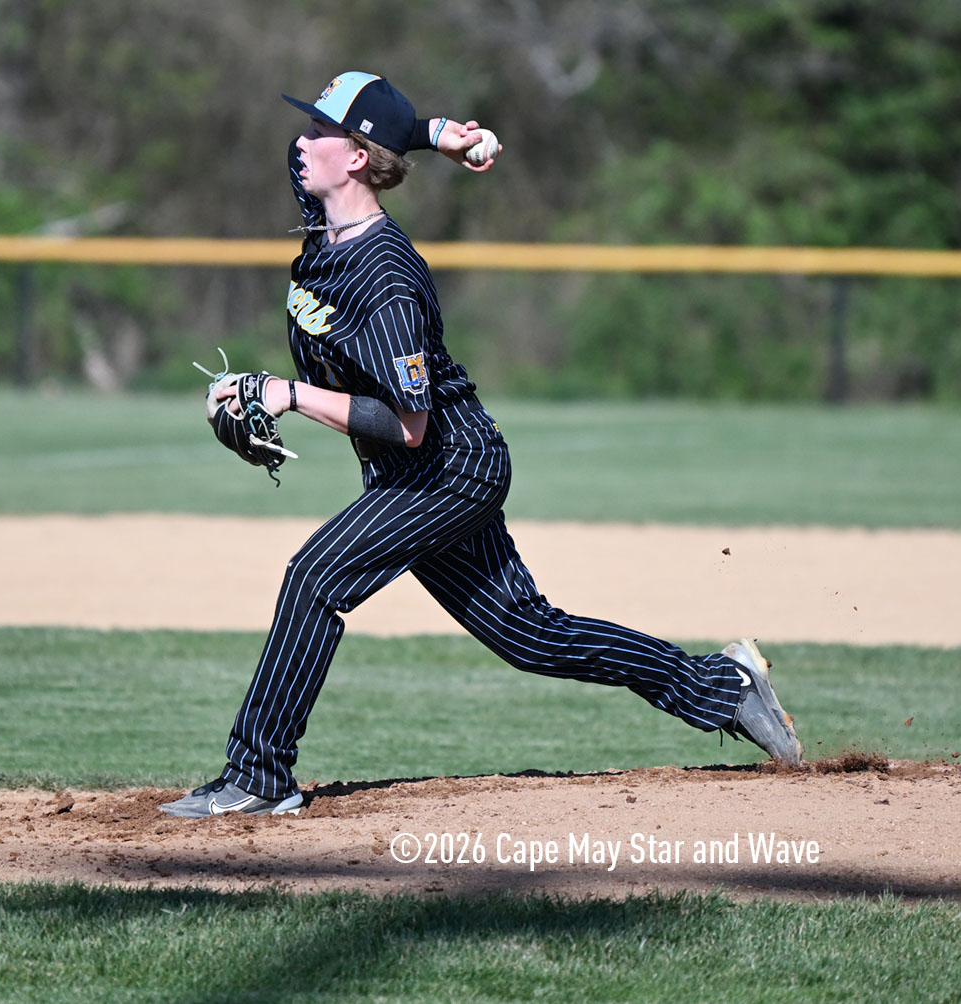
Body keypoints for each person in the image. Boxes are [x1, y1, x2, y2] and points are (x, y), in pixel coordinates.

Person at [160, 72, 802, 818]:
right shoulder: (324, 211)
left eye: (317, 132)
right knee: (532, 637)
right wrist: (435, 134)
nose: (299, 144)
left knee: (315, 575)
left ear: (357, 158)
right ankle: (722, 686)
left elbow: (408, 424)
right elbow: (362, 141)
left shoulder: (386, 278)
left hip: (447, 469)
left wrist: (287, 394)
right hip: (416, 474)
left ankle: (259, 775)